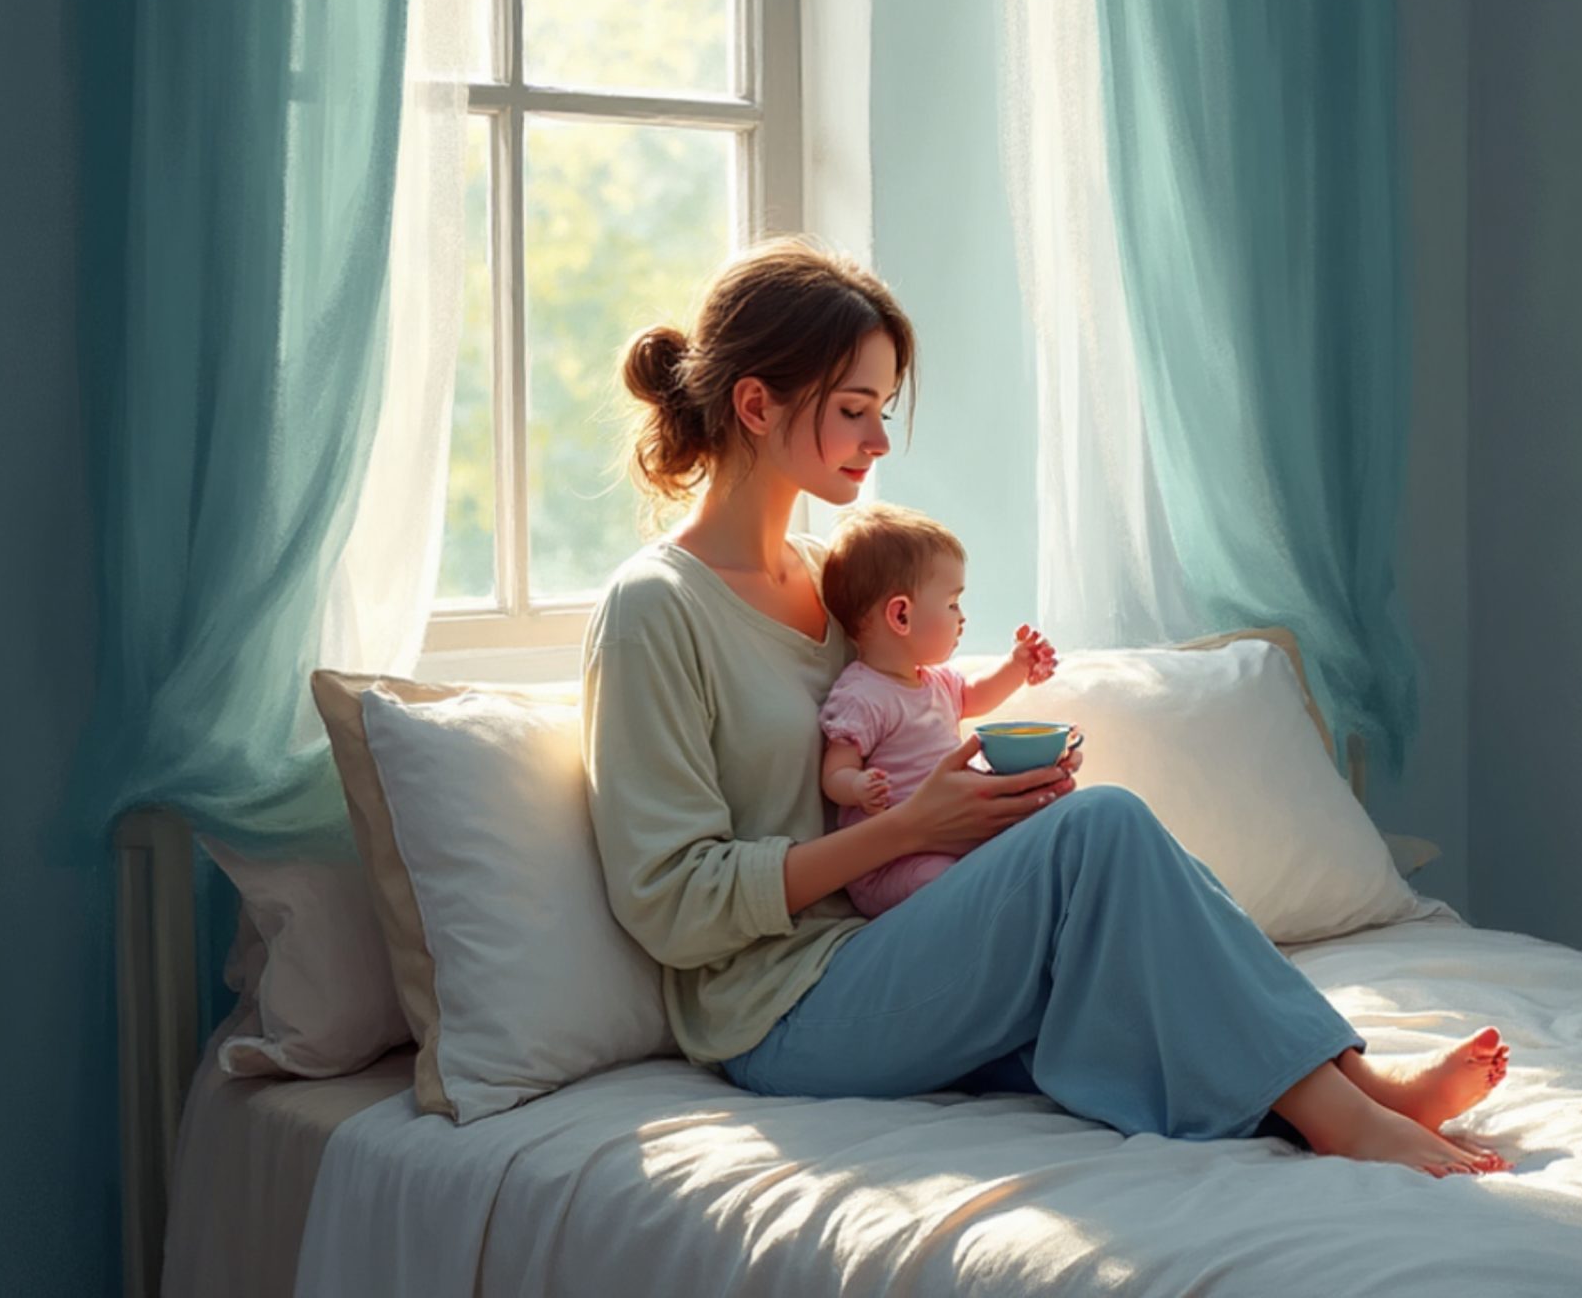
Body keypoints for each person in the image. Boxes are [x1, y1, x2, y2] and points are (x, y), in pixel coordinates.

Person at [580, 237, 1509, 1176]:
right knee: (1101, 831)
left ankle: (1352, 1084)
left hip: (902, 948)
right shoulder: (656, 608)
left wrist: (979, 809)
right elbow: (671, 903)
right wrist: (906, 832)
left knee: (1124, 892)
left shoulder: (838, 584)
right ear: (754, 404)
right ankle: (1343, 1118)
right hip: (781, 1014)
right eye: (854, 410)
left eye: (883, 409)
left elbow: (905, 735)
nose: (880, 440)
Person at [813, 499, 1066, 917]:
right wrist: (856, 787)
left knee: (1032, 831)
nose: (962, 618)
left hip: (951, 839)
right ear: (901, 615)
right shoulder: (862, 694)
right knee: (947, 884)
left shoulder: (936, 681)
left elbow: (976, 695)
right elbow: (834, 771)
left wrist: (1017, 665)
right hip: (892, 865)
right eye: (952, 604)